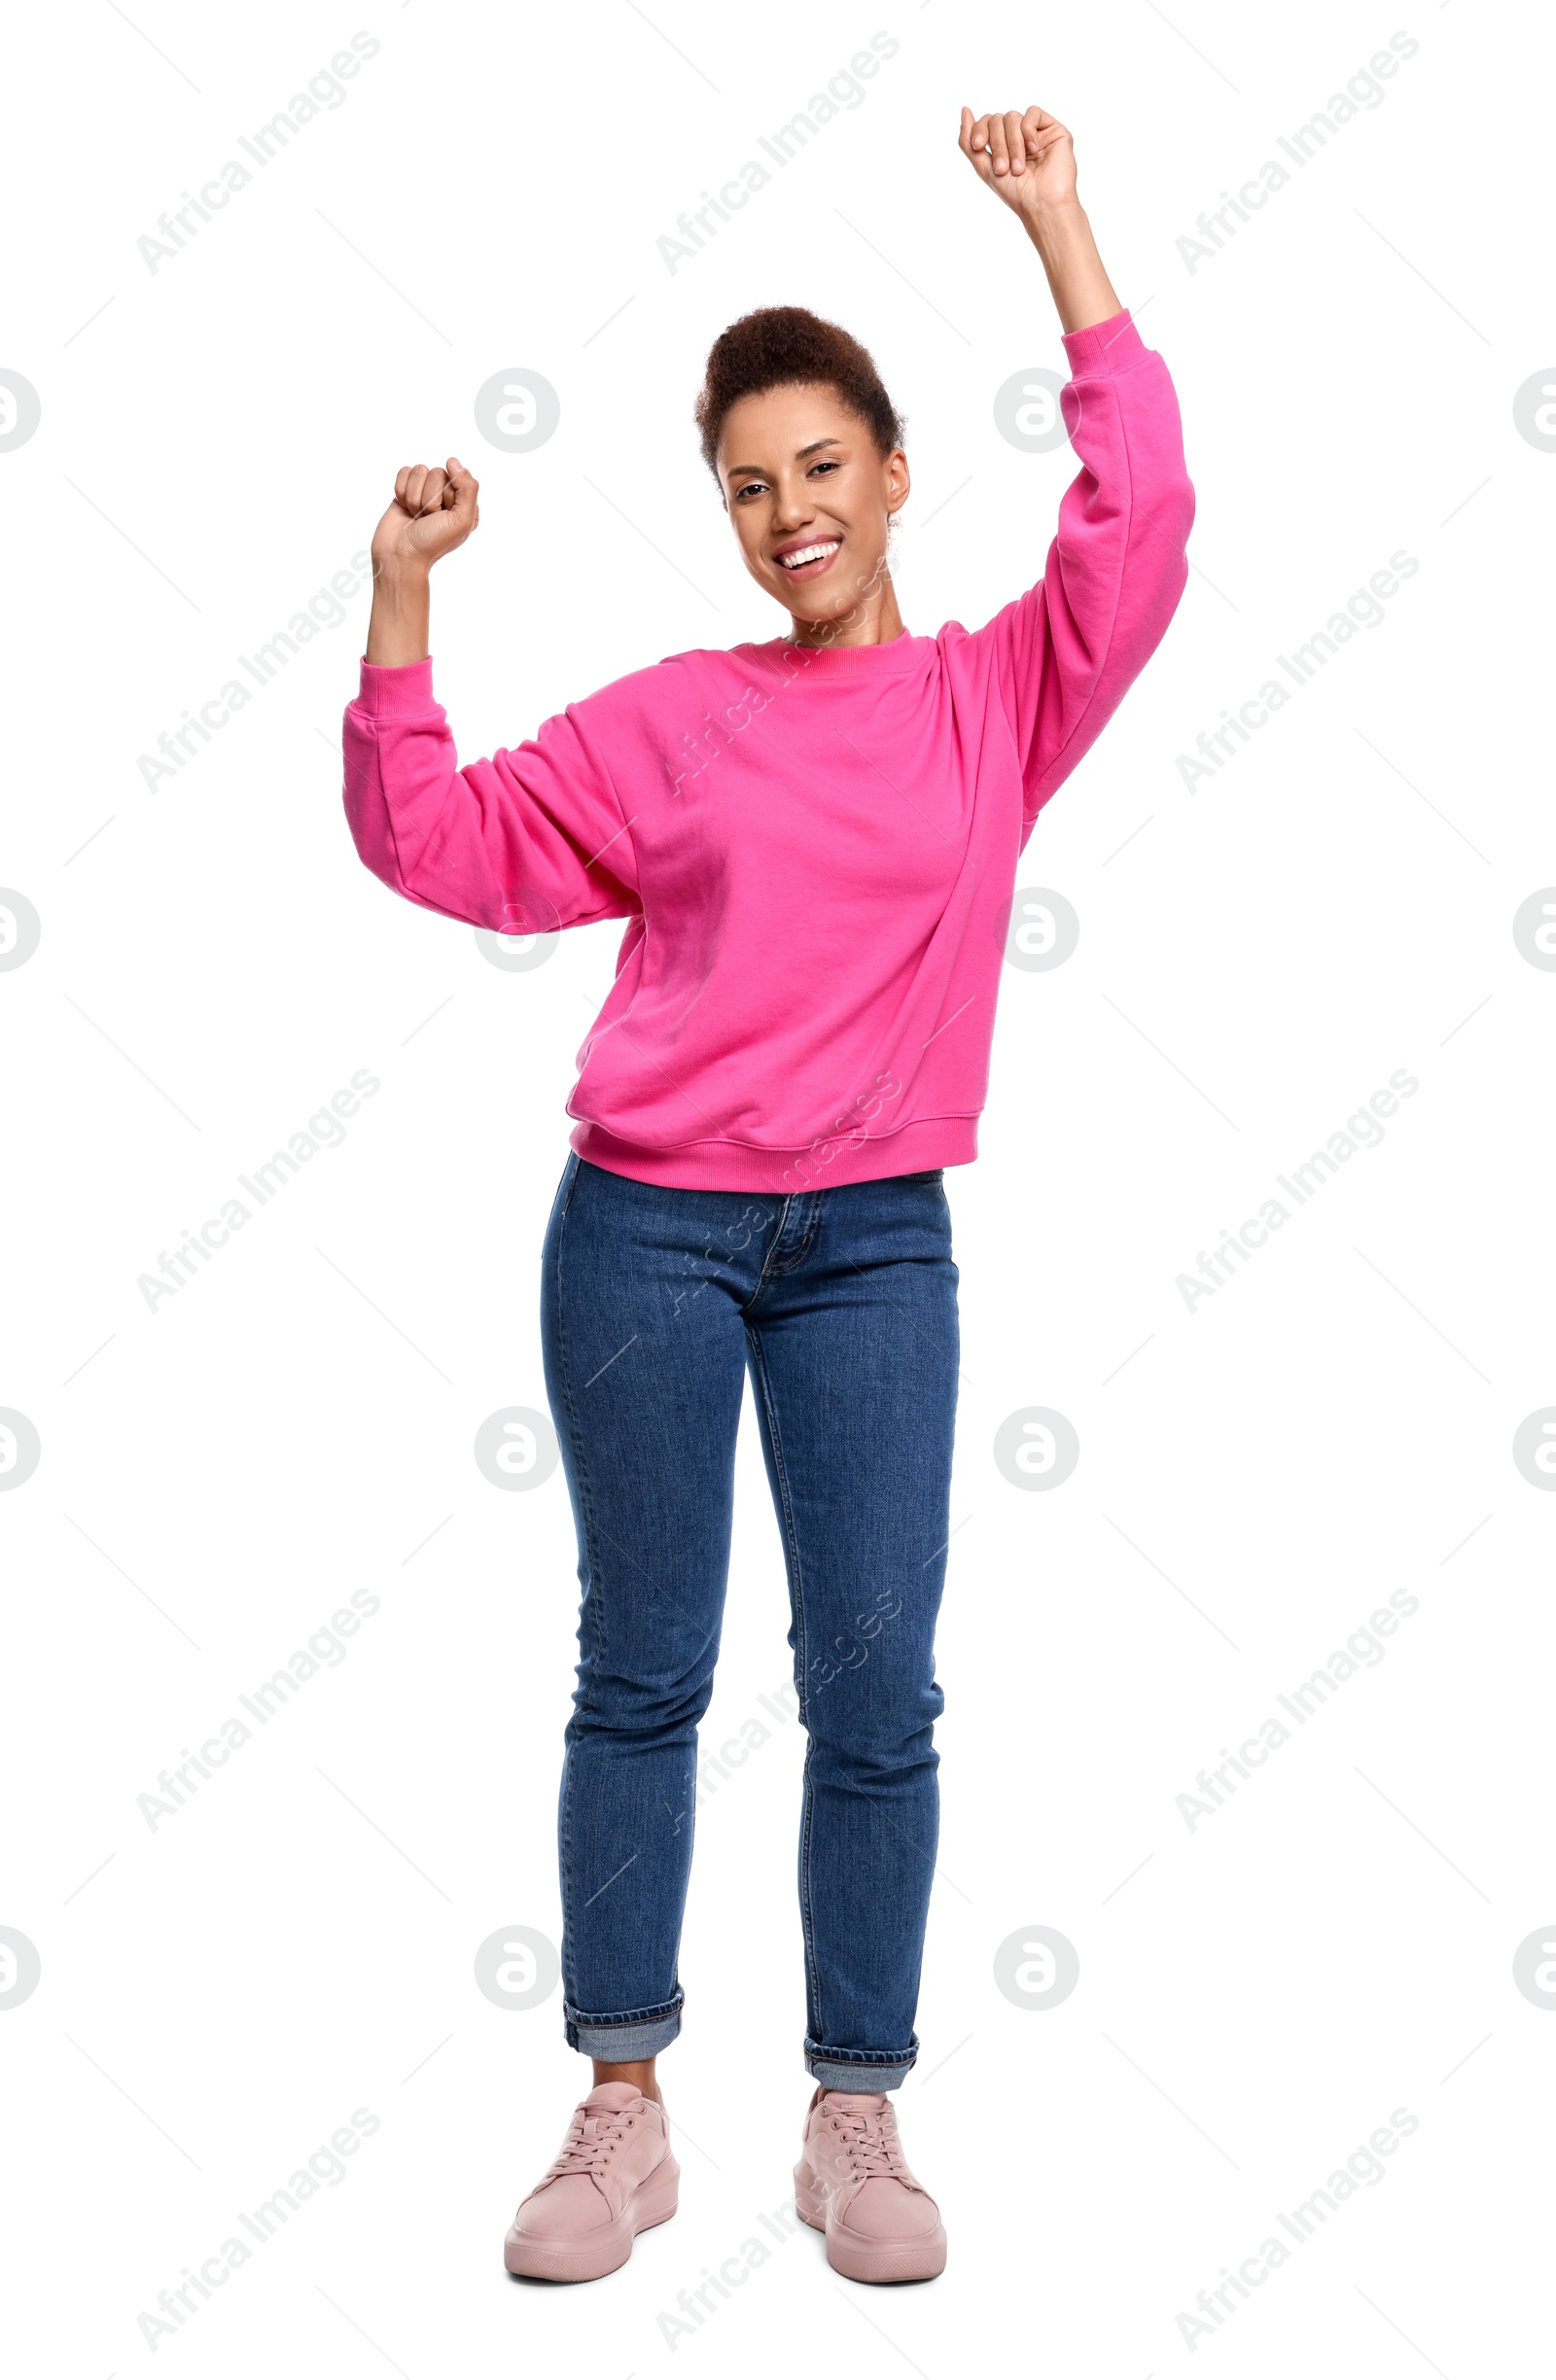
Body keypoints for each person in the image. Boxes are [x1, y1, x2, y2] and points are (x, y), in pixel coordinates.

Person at [341, 101, 1193, 2289]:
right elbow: (440, 844)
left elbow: (1144, 521)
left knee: (876, 1683)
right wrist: (403, 606)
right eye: (747, 485)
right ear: (723, 519)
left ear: (895, 476)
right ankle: (620, 2111)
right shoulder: (676, 719)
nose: (785, 513)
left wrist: (1059, 231)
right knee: (642, 1667)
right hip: (642, 1229)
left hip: (873, 1249)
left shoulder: (992, 700)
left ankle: (852, 2115)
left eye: (821, 468)